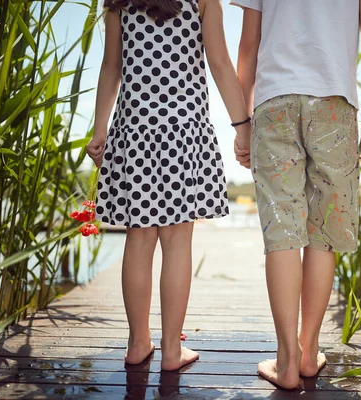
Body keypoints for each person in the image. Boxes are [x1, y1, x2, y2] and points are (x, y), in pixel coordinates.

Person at [85, 0, 251, 370]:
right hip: (183, 132)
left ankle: (137, 343)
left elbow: (111, 66)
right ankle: (171, 351)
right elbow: (220, 63)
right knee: (177, 240)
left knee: (138, 238)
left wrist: (100, 129)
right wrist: (243, 126)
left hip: (135, 132)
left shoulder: (118, 2)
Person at [230, 0, 361, 389]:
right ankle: (307, 350)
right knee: (324, 231)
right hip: (334, 101)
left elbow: (248, 43)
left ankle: (284, 360)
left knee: (283, 229)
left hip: (274, 102)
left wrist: (242, 122)